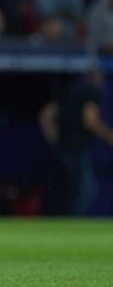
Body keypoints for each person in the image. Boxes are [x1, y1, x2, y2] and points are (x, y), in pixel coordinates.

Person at [39, 70, 113, 215]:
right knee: (86, 188)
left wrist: (55, 140)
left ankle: (67, 218)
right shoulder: (90, 92)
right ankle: (72, 220)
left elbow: (46, 114)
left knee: (72, 187)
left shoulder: (71, 93)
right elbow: (90, 120)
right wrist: (110, 136)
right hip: (76, 148)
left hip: (64, 147)